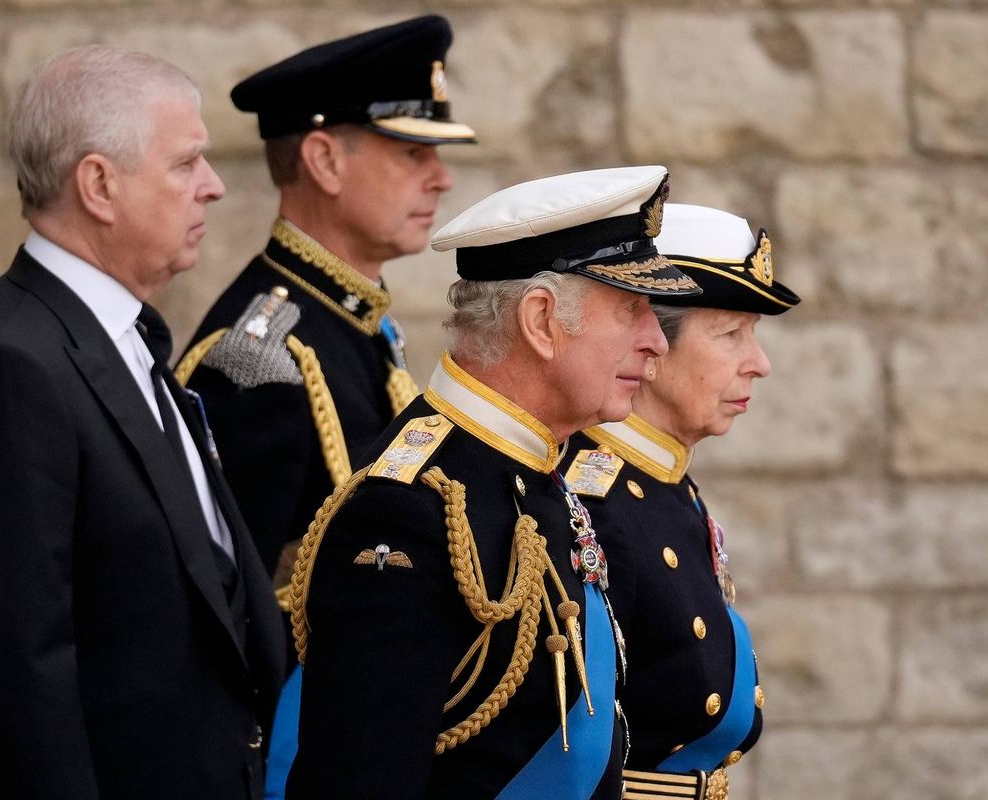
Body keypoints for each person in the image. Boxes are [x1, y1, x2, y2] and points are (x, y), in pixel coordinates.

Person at [0, 46, 285, 800]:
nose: (211, 188)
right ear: (99, 185)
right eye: (185, 164)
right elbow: (14, 682)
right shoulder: (9, 366)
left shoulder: (116, 337)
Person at [286, 167, 703, 799]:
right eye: (632, 310)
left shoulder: (536, 470)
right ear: (541, 321)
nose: (655, 344)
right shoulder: (411, 508)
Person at [176, 14, 476, 597]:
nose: (441, 179)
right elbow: (242, 610)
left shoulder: (355, 325)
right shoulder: (260, 361)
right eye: (413, 154)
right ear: (324, 161)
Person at [560, 203, 800, 800]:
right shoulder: (587, 500)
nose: (760, 364)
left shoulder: (667, 481)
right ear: (650, 344)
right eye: (730, 334)